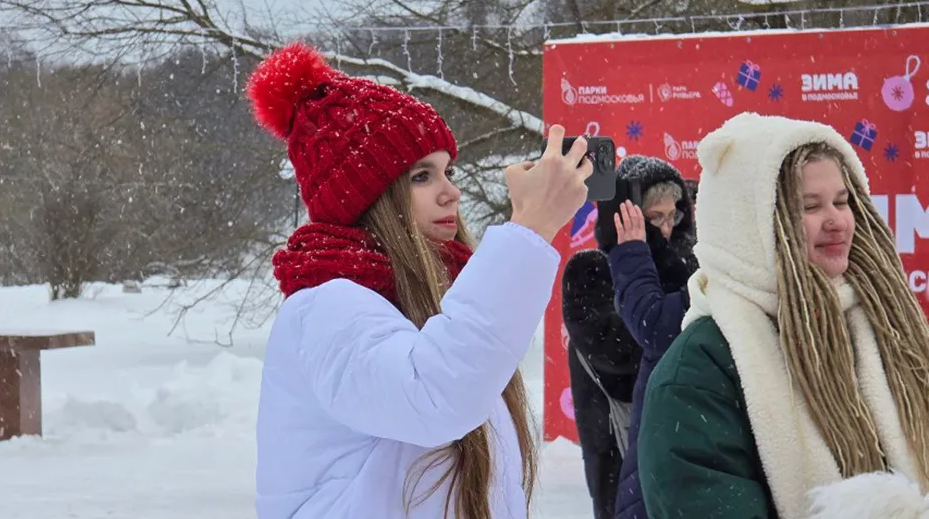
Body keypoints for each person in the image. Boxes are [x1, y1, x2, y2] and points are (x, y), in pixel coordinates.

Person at [247, 42, 593, 519]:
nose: (452, 192)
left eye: (448, 171)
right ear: (366, 196)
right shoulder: (327, 307)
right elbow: (435, 397)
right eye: (421, 177)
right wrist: (530, 227)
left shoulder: (442, 299)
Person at [638, 112, 929, 519]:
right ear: (750, 225)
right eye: (810, 206)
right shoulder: (695, 374)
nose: (836, 221)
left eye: (842, 201)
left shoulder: (890, 329)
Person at [561, 156, 697, 519]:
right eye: (655, 218)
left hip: (681, 438)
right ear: (624, 217)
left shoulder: (688, 266)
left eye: (673, 217)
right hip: (618, 444)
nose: (666, 229)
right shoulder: (590, 270)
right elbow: (621, 358)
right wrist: (648, 261)